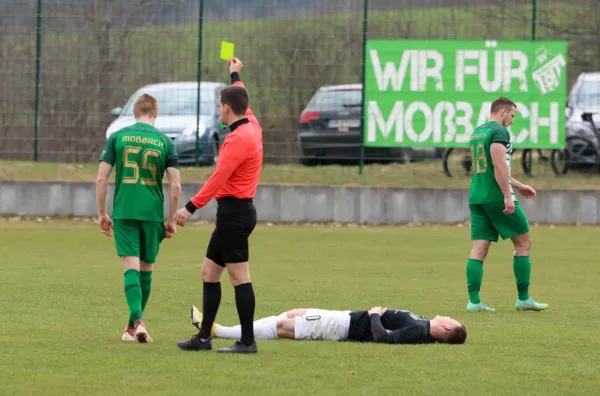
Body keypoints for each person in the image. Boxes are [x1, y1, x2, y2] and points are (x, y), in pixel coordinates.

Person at [175, 57, 263, 354]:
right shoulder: (250, 121)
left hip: (235, 215)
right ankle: (203, 339)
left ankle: (248, 342)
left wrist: (189, 207)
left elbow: (216, 181)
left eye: (218, 106)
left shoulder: (237, 140)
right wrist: (235, 73)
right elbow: (242, 94)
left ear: (226, 108)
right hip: (234, 213)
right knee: (209, 273)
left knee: (240, 277)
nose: (218, 111)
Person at [96, 93, 181, 343]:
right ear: (156, 113)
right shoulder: (166, 142)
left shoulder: (117, 137)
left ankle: (137, 321)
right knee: (146, 269)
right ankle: (133, 326)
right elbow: (175, 186)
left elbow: (101, 179)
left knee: (130, 268)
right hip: (153, 214)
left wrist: (102, 213)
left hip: (125, 211)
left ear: (134, 114)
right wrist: (171, 219)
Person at [465, 97, 548, 313]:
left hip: (477, 197)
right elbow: (499, 164)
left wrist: (519, 186)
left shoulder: (478, 132)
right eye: (512, 116)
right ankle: (523, 298)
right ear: (502, 112)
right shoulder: (499, 132)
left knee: (478, 249)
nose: (512, 121)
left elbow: (491, 169)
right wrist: (508, 196)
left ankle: (474, 302)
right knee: (523, 243)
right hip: (496, 197)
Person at [188, 305, 467, 345]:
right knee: (293, 312)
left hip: (343, 326)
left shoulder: (418, 332)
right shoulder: (424, 325)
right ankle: (221, 328)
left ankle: (217, 330)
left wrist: (372, 314)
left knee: (285, 326)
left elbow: (383, 338)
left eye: (449, 320)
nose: (445, 316)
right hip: (345, 316)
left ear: (445, 329)